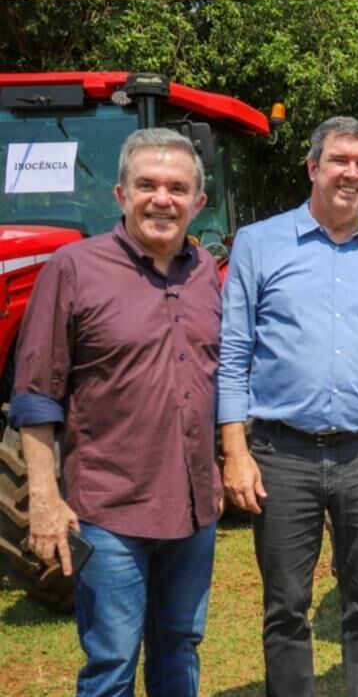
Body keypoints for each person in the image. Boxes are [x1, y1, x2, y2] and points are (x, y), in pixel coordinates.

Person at [218, 116, 358, 697]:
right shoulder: (258, 244)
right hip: (281, 453)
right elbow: (233, 353)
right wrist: (235, 451)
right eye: (340, 160)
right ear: (313, 167)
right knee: (286, 606)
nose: (352, 173)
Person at [11, 128, 221, 696]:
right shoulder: (72, 269)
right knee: (111, 665)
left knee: (180, 649)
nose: (162, 199)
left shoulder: (206, 273)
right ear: (121, 194)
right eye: (147, 185)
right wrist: (45, 498)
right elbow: (36, 394)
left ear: (198, 201)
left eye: (177, 188)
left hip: (194, 510)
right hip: (109, 513)